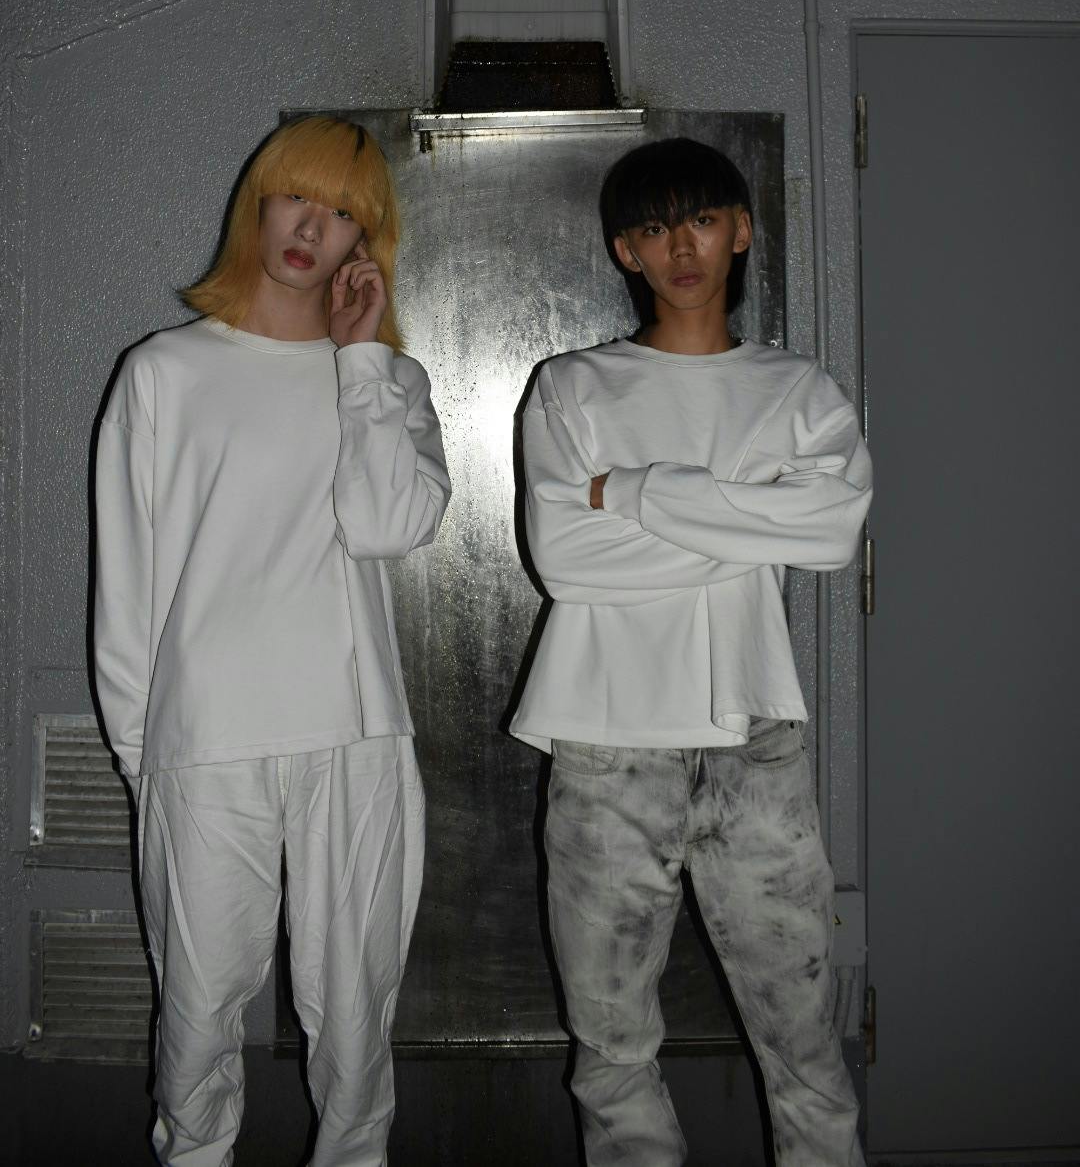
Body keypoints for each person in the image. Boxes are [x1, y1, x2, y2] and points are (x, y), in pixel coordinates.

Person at [94, 114, 450, 1167]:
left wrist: (361, 363)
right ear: (260, 199)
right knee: (198, 1015)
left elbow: (389, 525)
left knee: (356, 1020)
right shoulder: (164, 372)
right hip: (204, 737)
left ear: (365, 245)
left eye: (344, 214)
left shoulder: (391, 382)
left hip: (356, 736)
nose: (312, 227)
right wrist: (145, 757)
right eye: (299, 196)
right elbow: (128, 589)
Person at [510, 136, 872, 1167]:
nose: (682, 248)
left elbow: (834, 532)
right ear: (625, 249)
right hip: (605, 742)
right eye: (656, 228)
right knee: (611, 1047)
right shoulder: (572, 386)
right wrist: (751, 518)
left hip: (753, 737)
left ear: (740, 231)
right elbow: (566, 560)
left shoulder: (794, 389)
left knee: (804, 1041)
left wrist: (633, 493)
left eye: (703, 220)